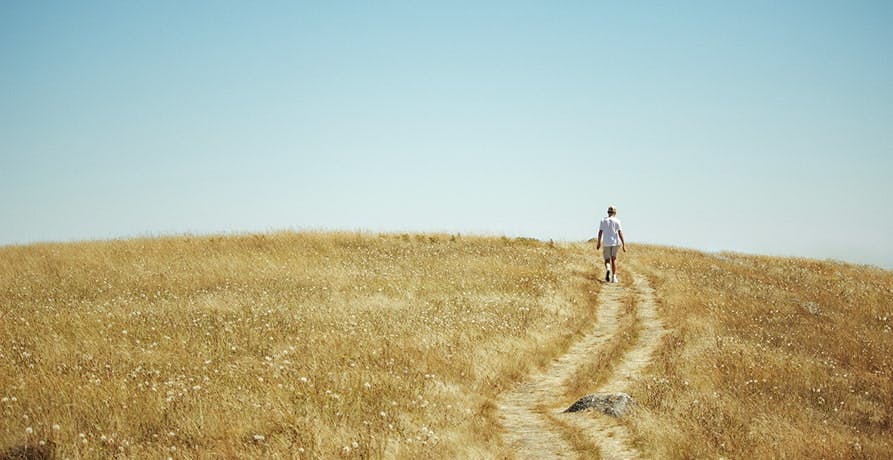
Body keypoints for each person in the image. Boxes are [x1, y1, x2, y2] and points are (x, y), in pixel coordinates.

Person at [596, 205, 626, 283]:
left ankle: (608, 268)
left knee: (607, 260)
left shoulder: (603, 220)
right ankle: (614, 277)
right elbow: (620, 232)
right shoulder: (617, 221)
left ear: (608, 212)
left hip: (606, 242)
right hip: (615, 242)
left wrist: (598, 242)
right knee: (614, 259)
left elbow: (600, 232)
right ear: (615, 213)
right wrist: (623, 244)